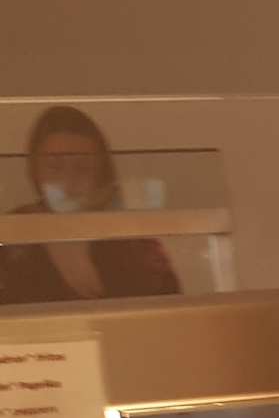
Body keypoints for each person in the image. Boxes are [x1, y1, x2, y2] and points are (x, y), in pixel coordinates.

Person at [0, 106, 179, 305]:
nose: (68, 181)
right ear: (35, 171)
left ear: (100, 171)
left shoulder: (130, 235)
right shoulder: (13, 233)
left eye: (82, 168)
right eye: (54, 167)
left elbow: (167, 304)